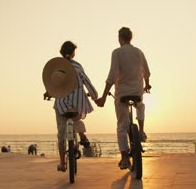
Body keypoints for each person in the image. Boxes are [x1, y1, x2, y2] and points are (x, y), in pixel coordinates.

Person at [95, 27, 151, 170]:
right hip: (137, 91)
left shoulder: (117, 52)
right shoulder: (139, 52)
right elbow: (147, 72)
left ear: (120, 38)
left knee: (121, 125)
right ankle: (141, 131)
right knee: (140, 105)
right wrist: (147, 85)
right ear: (131, 37)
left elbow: (112, 75)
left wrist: (103, 97)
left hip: (122, 94)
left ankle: (125, 158)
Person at [43, 41, 98, 172]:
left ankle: (62, 163)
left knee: (61, 136)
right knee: (76, 117)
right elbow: (87, 83)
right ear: (73, 53)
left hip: (61, 106)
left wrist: (48, 93)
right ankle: (82, 135)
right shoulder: (78, 67)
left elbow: (53, 85)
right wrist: (96, 97)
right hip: (77, 105)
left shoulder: (56, 69)